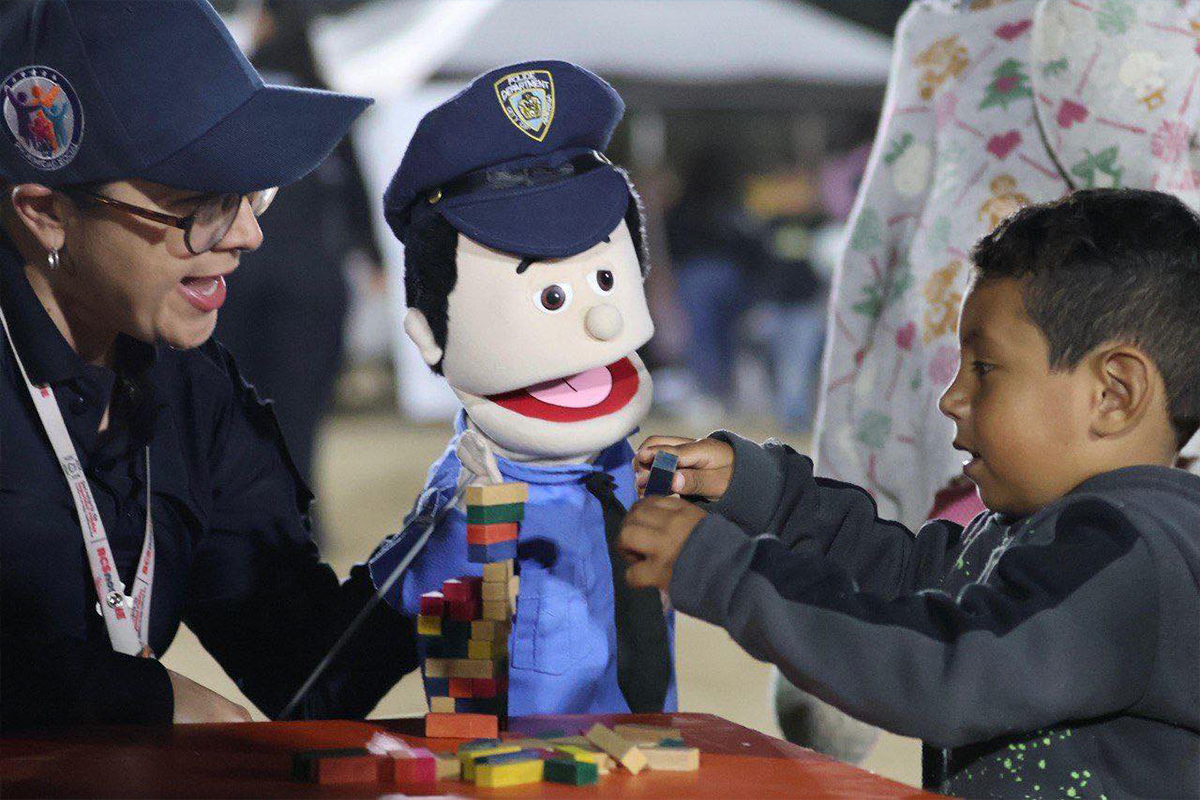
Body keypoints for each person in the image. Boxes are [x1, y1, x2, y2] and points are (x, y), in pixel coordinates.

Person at [618, 189, 1200, 797]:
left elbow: (952, 669)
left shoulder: (1131, 560)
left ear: (1114, 393)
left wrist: (725, 571)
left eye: (984, 368)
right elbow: (905, 577)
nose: (952, 398)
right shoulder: (1041, 535)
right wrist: (765, 495)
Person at [0, 0, 416, 729]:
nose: (248, 233)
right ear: (44, 212)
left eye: (252, 192)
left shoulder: (193, 390)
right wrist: (142, 700)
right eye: (198, 203)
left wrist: (452, 538)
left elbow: (306, 671)